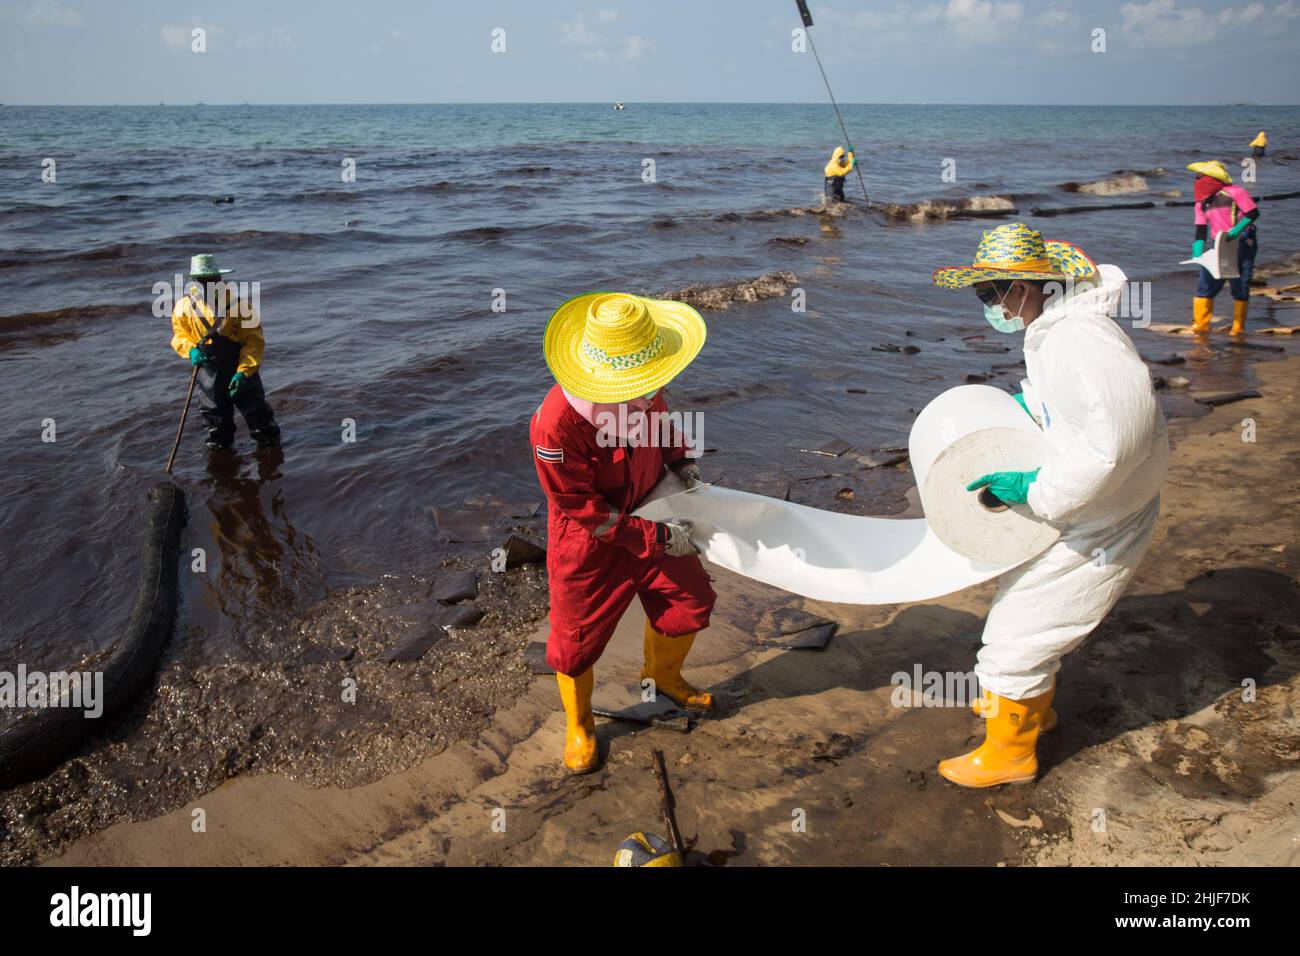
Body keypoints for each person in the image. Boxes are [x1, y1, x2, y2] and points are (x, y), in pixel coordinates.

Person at [930, 223, 1168, 788]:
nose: (988, 303)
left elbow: (1118, 440)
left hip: (1101, 513)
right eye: (980, 293)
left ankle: (1010, 755)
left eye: (995, 291)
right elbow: (1079, 409)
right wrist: (1030, 409)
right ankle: (1030, 715)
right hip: (1094, 506)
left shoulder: (1077, 339)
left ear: (1034, 284)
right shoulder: (1054, 330)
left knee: (1019, 634)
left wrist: (1036, 490)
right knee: (1036, 615)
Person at [531, 292, 716, 775]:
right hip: (590, 542)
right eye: (638, 386)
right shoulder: (556, 427)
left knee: (691, 603)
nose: (650, 392)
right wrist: (655, 539)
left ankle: (663, 674)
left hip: (655, 509)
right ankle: (581, 724)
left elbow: (662, 422)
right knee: (574, 643)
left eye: (650, 383)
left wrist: (681, 460)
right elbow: (580, 507)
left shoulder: (644, 386)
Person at [170, 254, 281, 450]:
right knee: (216, 427)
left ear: (220, 280)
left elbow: (253, 342)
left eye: (212, 280)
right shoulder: (183, 307)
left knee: (260, 421)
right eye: (202, 280)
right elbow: (179, 336)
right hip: (208, 373)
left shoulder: (239, 306)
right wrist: (191, 350)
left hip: (240, 369)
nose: (207, 285)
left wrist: (244, 372)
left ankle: (271, 458)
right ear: (193, 281)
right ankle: (222, 466)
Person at [1186, 160, 1259, 336]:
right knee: (1207, 282)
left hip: (1241, 242)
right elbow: (1201, 229)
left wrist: (1237, 230)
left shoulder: (1236, 192)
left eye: (1201, 177)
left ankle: (1238, 326)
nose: (1198, 181)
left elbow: (1253, 213)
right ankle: (1201, 325)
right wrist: (1198, 251)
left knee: (1239, 282)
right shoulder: (1201, 203)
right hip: (1217, 244)